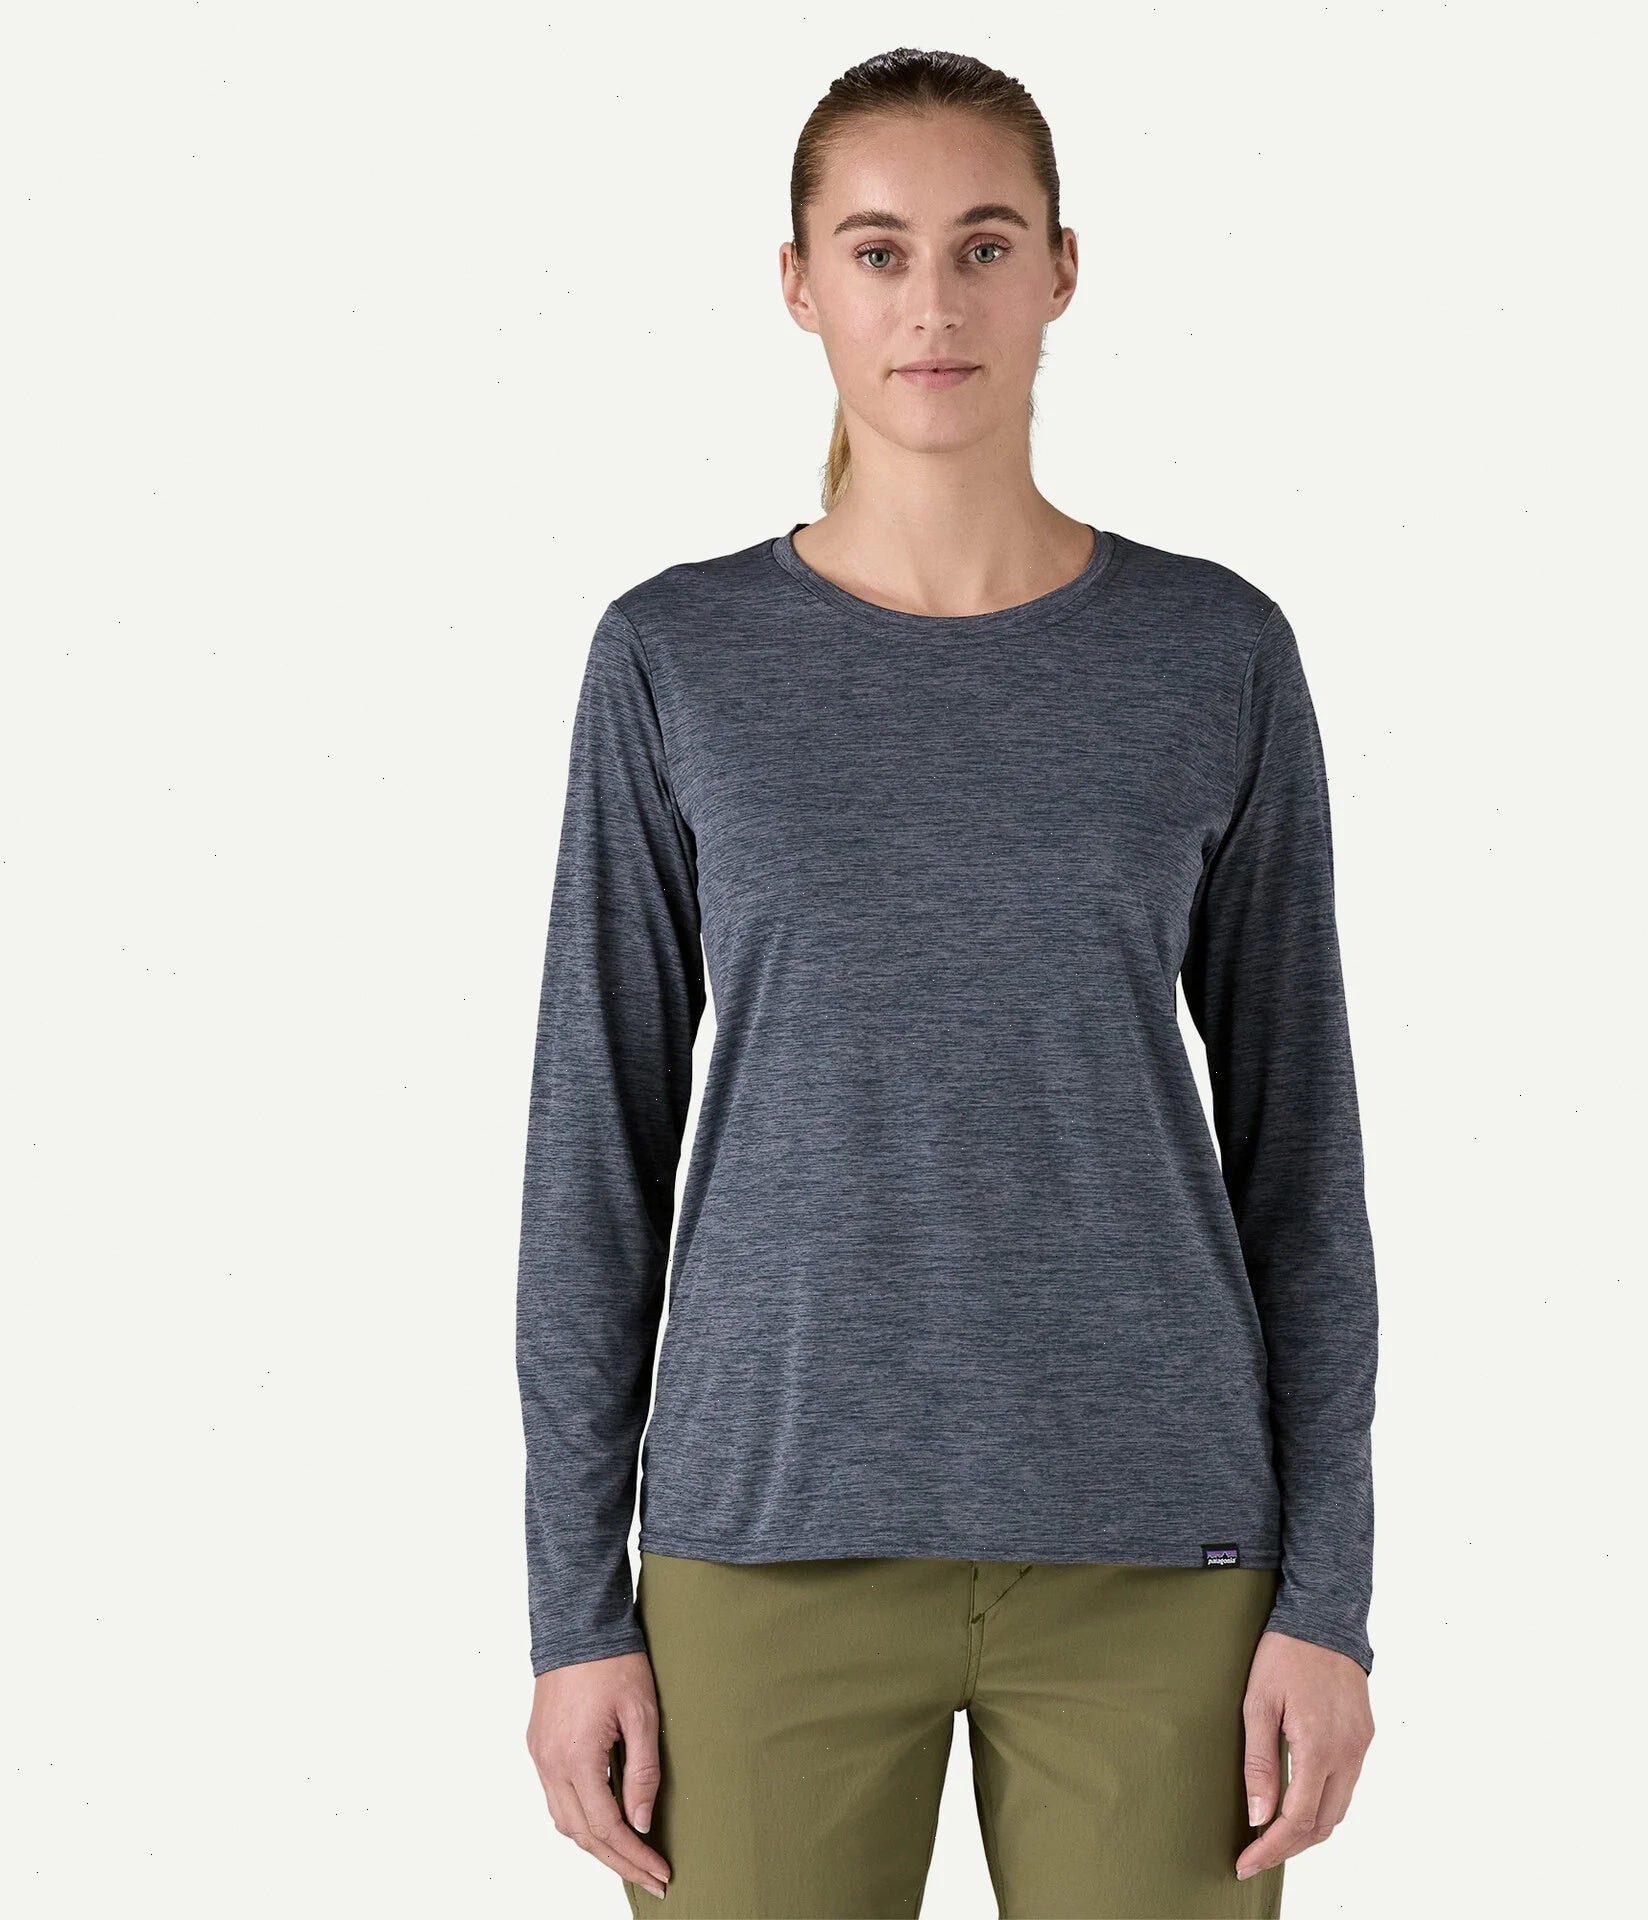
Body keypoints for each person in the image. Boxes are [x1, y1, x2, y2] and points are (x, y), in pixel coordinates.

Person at [515, 45, 1379, 1918]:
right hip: (764, 1549)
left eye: (985, 246)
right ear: (799, 283)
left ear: (1062, 271)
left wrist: (1331, 1599)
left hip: (1161, 1555)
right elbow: (595, 1158)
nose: (933, 303)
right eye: (879, 249)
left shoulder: (1211, 652)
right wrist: (574, 1611)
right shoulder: (676, 658)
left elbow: (1302, 1163)